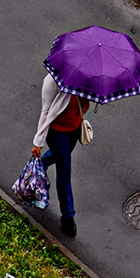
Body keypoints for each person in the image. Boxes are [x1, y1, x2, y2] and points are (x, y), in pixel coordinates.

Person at [31, 73, 89, 237]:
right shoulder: (51, 81)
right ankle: (68, 216)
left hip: (74, 129)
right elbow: (45, 111)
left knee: (62, 157)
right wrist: (38, 142)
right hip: (57, 133)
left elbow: (84, 104)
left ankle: (40, 164)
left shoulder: (85, 77)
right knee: (65, 170)